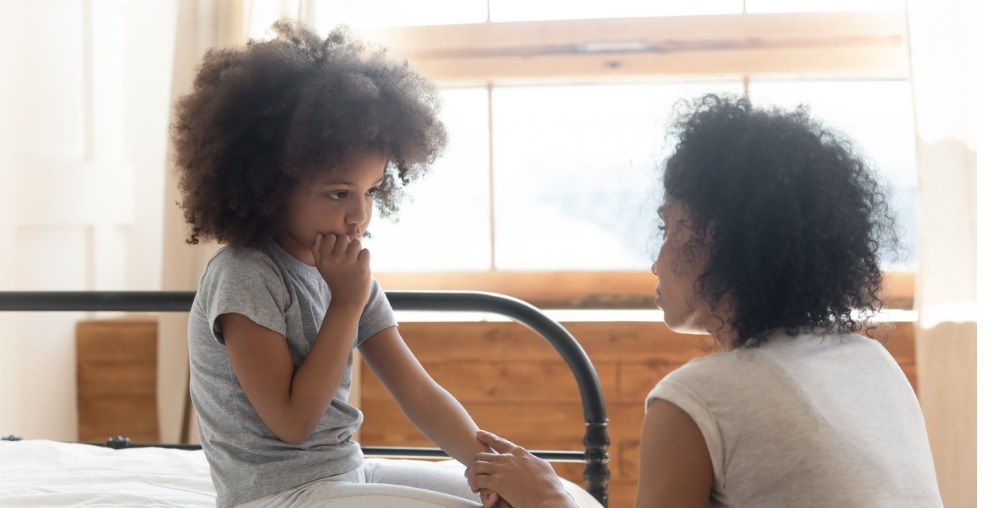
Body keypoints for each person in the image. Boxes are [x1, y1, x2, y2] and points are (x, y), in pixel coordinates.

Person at [465, 95, 943, 507]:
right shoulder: (872, 362)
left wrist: (548, 498)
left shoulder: (697, 399)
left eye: (674, 229)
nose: (657, 261)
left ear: (723, 245)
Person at [175, 21, 497, 508]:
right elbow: (292, 421)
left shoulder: (348, 276)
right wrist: (344, 304)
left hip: (346, 473)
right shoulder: (244, 275)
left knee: (537, 500)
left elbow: (418, 393)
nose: (360, 215)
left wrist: (491, 467)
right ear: (271, 186)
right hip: (278, 495)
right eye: (338, 193)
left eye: (370, 191)